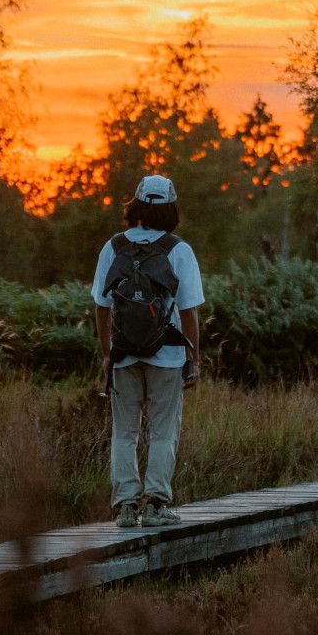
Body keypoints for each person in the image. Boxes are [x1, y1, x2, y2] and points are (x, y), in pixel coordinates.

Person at [93, 173, 204, 529]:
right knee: (163, 431)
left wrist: (107, 352)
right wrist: (194, 359)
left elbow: (100, 305)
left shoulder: (113, 247)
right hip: (168, 355)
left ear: (136, 204)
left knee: (124, 432)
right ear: (171, 207)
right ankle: (156, 505)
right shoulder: (178, 250)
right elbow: (189, 312)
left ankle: (126, 507)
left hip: (123, 354)